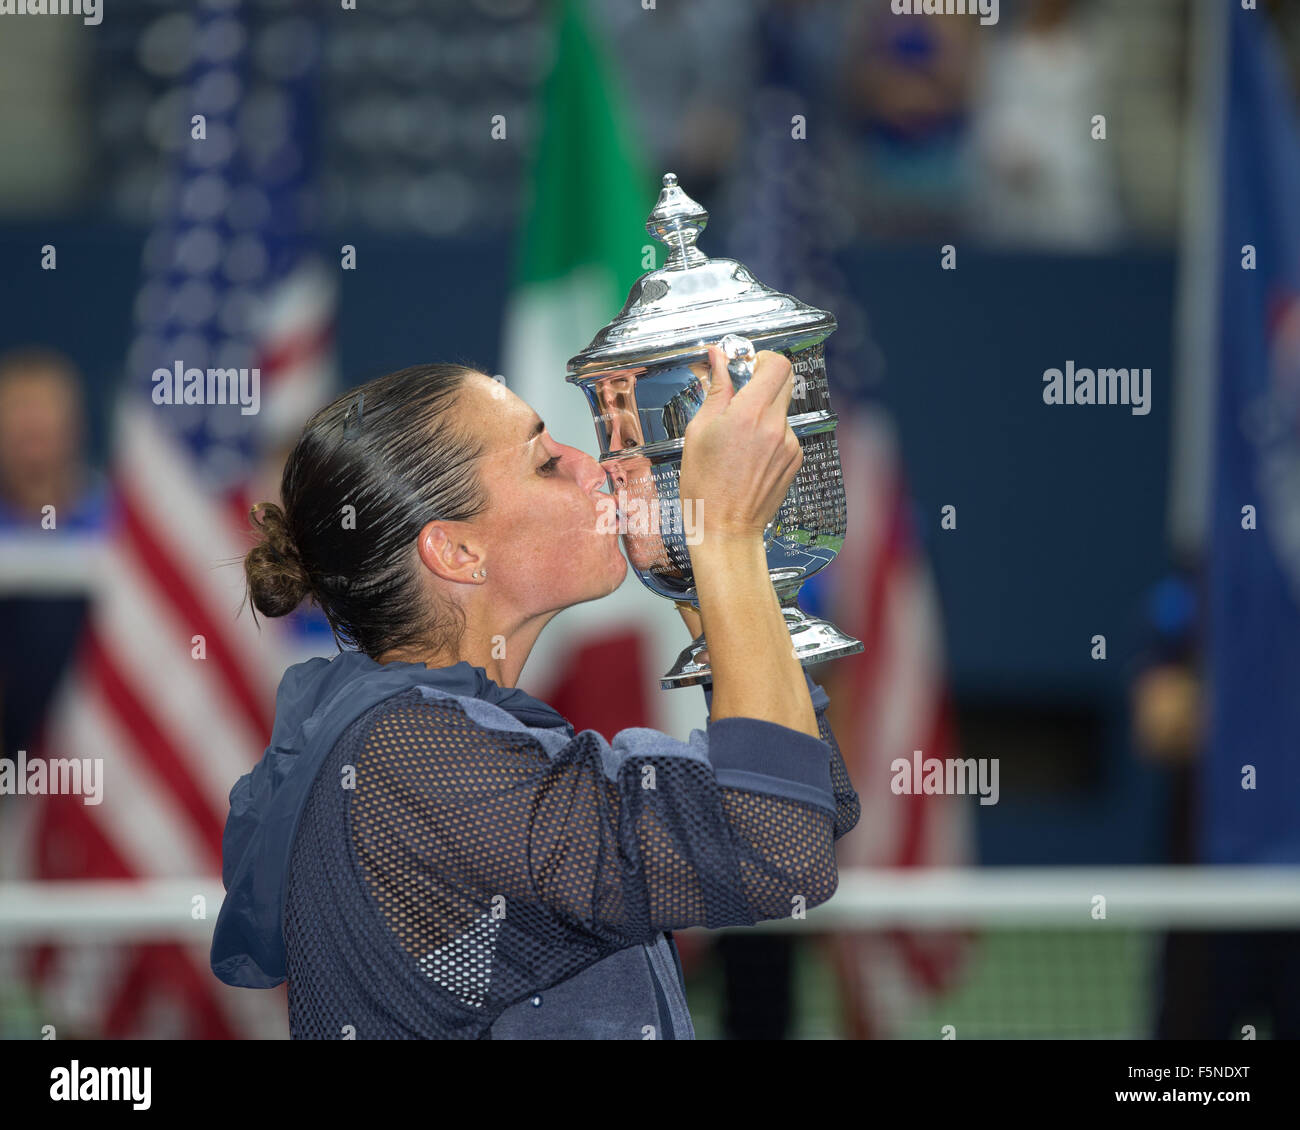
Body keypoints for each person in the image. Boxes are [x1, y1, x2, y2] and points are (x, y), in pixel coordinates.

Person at [209, 344, 860, 1039]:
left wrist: (691, 562)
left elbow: (809, 802)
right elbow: (779, 851)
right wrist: (726, 535)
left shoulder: (435, 734)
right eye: (547, 462)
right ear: (457, 552)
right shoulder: (407, 756)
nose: (598, 466)